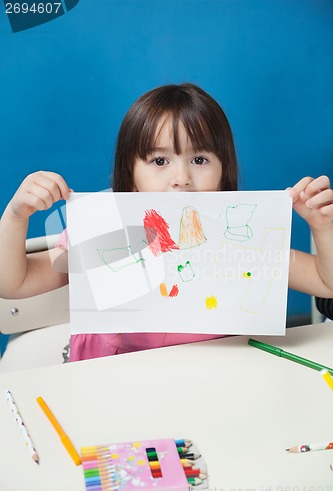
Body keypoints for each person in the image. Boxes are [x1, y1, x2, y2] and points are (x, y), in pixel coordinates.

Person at [0, 83, 333, 362]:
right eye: (160, 160)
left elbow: (325, 281)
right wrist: (16, 217)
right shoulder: (108, 232)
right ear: (130, 174)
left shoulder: (239, 238)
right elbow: (15, 283)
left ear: (223, 168)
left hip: (218, 386)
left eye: (199, 159)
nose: (181, 178)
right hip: (111, 389)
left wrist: (322, 226)